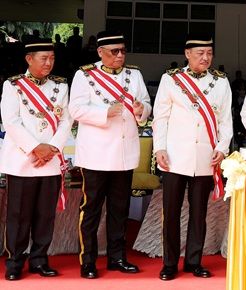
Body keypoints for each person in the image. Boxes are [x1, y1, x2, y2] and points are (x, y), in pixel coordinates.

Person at [68, 31, 152, 279]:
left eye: (123, 51)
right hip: (95, 154)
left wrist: (141, 109)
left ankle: (117, 258)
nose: (120, 56)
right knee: (91, 209)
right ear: (100, 52)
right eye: (114, 52)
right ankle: (88, 260)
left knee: (119, 209)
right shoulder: (85, 75)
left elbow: (146, 103)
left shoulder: (134, 74)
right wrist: (106, 112)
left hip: (124, 153)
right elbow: (75, 109)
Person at [153, 34, 233, 280]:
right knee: (172, 213)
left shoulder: (220, 82)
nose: (206, 58)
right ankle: (169, 263)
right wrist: (159, 149)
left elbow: (225, 120)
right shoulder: (172, 80)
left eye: (209, 53)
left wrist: (222, 147)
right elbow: (161, 117)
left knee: (199, 213)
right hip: (175, 156)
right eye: (200, 53)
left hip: (205, 157)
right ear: (187, 54)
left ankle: (193, 261)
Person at [0, 38, 72, 281]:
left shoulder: (60, 86)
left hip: (50, 161)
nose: (49, 63)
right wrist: (35, 148)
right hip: (23, 161)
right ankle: (15, 261)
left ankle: (40, 260)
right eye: (44, 58)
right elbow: (11, 121)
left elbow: (66, 121)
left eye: (52, 58)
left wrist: (51, 148)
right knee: (18, 215)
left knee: (45, 215)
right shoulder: (13, 86)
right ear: (29, 59)